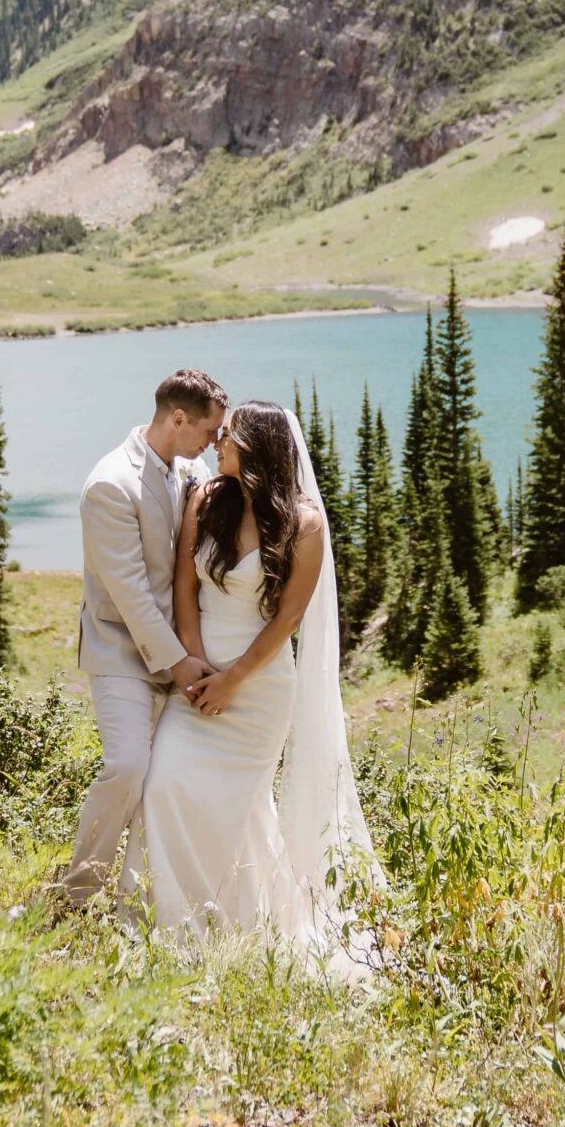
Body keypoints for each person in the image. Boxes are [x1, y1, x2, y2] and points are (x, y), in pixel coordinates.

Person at [136, 399, 376, 962]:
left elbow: (289, 618)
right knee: (165, 786)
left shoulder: (303, 524)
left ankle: (239, 929)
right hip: (195, 683)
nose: (217, 441)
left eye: (229, 436)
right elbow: (183, 588)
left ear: (255, 447)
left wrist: (233, 681)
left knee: (235, 810)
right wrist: (195, 668)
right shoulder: (207, 499)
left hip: (260, 692)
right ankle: (179, 926)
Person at [57, 368, 228, 908]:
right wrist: (180, 664)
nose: (213, 442)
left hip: (182, 653)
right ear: (178, 419)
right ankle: (77, 895)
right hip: (121, 652)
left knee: (167, 781)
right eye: (208, 430)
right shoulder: (110, 483)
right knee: (127, 766)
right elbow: (130, 594)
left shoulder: (189, 466)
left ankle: (143, 903)